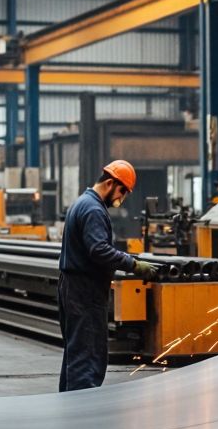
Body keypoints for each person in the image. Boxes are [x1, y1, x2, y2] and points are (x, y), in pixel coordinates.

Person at [58, 160, 158, 391]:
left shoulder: (82, 203)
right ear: (110, 182)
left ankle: (69, 410)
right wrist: (133, 264)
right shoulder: (93, 209)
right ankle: (84, 416)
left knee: (76, 353)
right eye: (122, 191)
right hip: (85, 292)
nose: (122, 197)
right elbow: (99, 250)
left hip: (74, 288)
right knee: (88, 356)